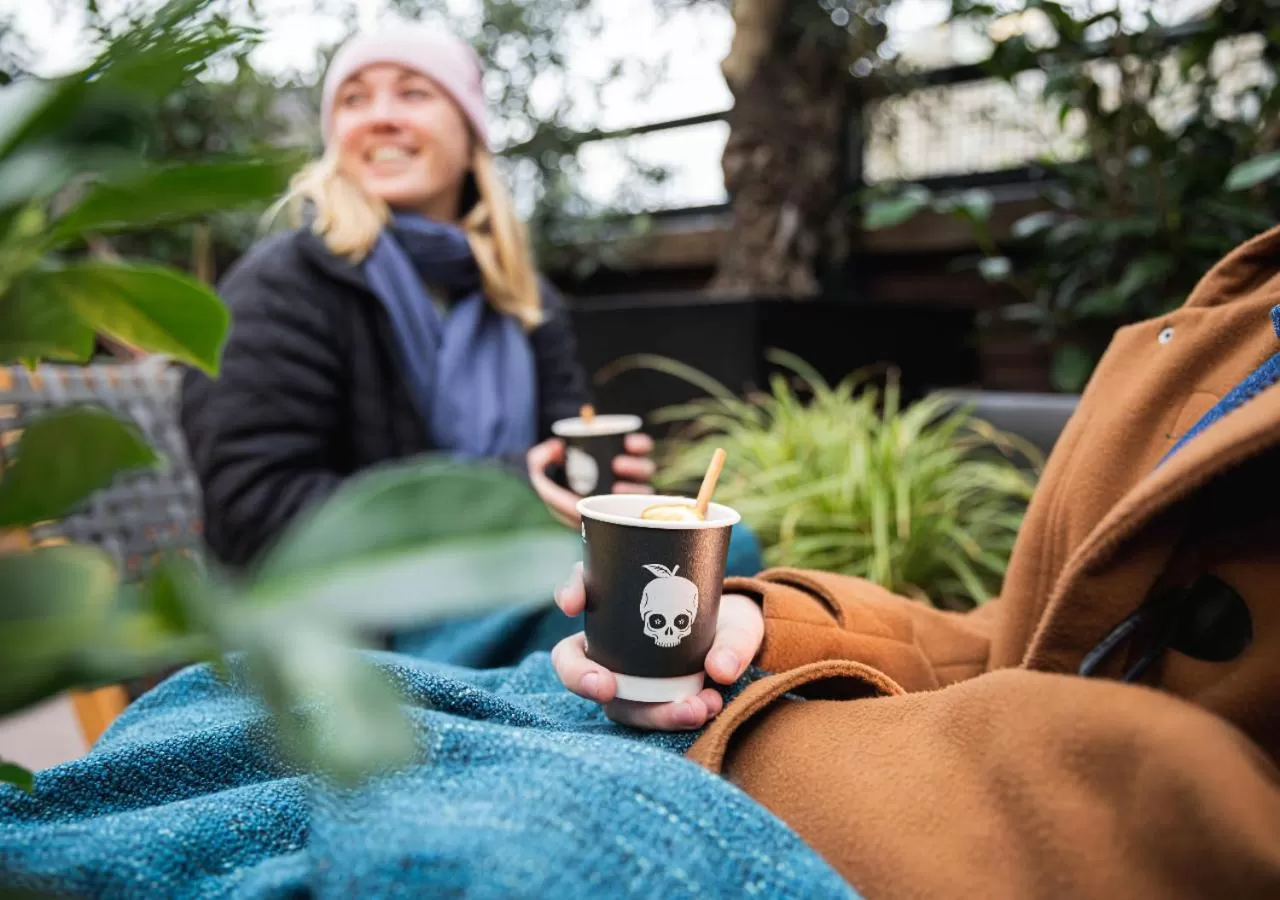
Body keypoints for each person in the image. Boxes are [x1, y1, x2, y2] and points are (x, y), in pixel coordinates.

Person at [550, 224, 1280, 895]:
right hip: (800, 746)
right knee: (520, 696)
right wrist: (767, 623)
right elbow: (1029, 637)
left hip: (888, 816)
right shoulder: (1241, 316)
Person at [179, 24, 654, 573]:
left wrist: (596, 480)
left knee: (714, 546)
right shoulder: (282, 284)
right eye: (354, 99)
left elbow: (558, 449)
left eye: (413, 92)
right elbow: (252, 515)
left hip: (518, 573)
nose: (380, 116)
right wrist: (496, 499)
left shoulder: (525, 299)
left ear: (471, 137)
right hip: (348, 607)